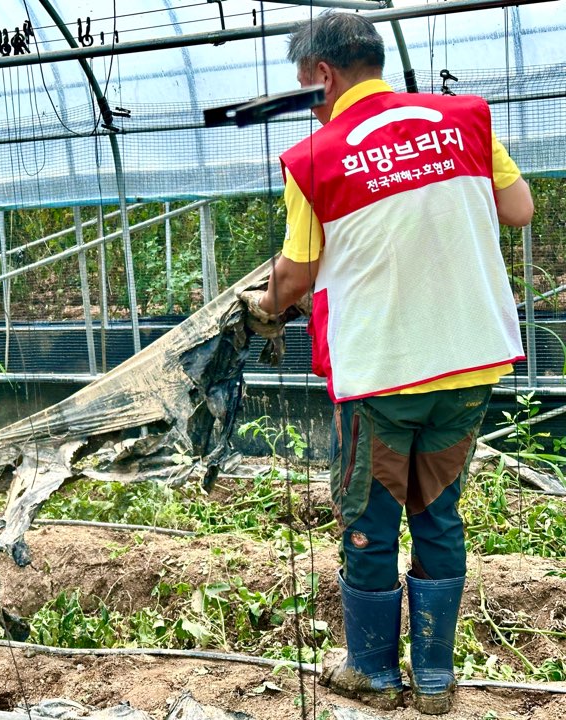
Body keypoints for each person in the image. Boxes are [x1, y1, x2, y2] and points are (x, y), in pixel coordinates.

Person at [238, 12, 533, 715]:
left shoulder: (314, 159)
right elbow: (518, 209)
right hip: (470, 360)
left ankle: (373, 669)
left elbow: (299, 273)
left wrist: (265, 303)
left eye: (302, 83)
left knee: (369, 519)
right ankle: (434, 681)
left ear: (323, 75)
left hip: (382, 372)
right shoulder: (464, 119)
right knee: (439, 514)